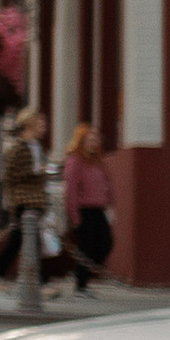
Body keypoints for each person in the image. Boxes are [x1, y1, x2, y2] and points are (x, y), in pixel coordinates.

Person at [0, 108, 52, 286]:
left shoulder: (37, 146)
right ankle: (37, 281)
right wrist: (37, 172)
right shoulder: (18, 147)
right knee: (29, 241)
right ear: (30, 124)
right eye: (40, 123)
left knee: (21, 240)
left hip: (35, 199)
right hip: (24, 201)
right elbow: (10, 174)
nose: (45, 127)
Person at [61, 121, 115, 290]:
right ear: (81, 141)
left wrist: (110, 204)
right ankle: (81, 285)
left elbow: (107, 183)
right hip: (84, 211)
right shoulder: (75, 160)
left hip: (99, 209)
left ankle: (81, 274)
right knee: (87, 247)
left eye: (96, 139)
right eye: (90, 140)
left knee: (106, 243)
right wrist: (75, 217)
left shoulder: (98, 160)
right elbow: (71, 191)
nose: (94, 142)